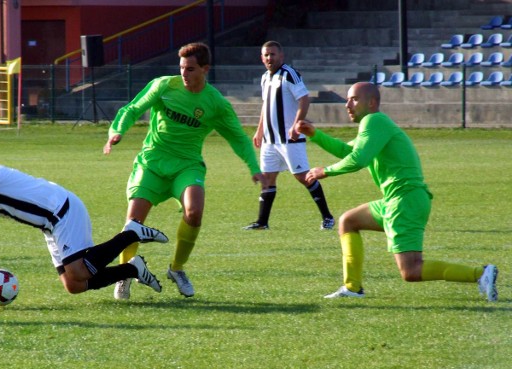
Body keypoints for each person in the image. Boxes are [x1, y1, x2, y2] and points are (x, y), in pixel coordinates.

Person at [294, 82, 498, 301]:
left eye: (353, 99)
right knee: (348, 221)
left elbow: (358, 160)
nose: (347, 104)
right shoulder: (374, 125)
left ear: (371, 102)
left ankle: (480, 274)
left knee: (411, 271)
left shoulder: (374, 120)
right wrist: (315, 134)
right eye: (347, 99)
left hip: (405, 201)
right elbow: (348, 150)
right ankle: (352, 288)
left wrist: (325, 171)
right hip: (396, 200)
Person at [103, 42, 266, 299]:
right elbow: (132, 108)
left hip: (187, 165)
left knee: (194, 211)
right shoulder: (164, 86)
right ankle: (125, 273)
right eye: (181, 68)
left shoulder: (215, 103)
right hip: (152, 162)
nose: (184, 74)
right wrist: (117, 131)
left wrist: (254, 167)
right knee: (133, 222)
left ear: (205, 69)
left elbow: (238, 137)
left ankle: (177, 269)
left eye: (190, 69)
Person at [0, 156, 169, 302]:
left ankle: (132, 233)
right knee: (74, 285)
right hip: (49, 226)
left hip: (62, 210)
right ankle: (133, 268)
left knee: (79, 270)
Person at [243, 40, 335, 231]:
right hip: (270, 140)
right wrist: (259, 130)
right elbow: (265, 106)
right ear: (262, 58)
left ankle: (328, 217)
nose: (269, 58)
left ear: (281, 56)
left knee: (303, 177)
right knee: (267, 178)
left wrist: (296, 125)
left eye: (273, 54)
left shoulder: (289, 74)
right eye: (266, 55)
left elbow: (304, 99)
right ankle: (262, 222)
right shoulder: (265, 78)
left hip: (289, 139)